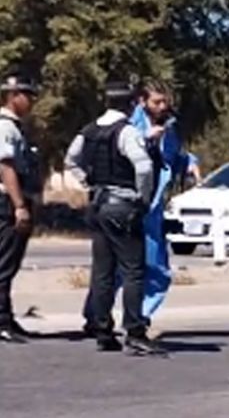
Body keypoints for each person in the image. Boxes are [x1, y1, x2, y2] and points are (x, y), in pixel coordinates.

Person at [80, 80, 196, 335]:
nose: (162, 106)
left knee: (149, 269)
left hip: (151, 208)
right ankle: (112, 319)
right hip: (130, 204)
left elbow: (175, 156)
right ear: (142, 102)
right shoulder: (128, 125)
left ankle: (129, 316)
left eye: (166, 101)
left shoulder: (169, 125)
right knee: (121, 269)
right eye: (156, 102)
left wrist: (189, 164)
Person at [65, 80, 164, 355]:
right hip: (122, 205)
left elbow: (71, 160)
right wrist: (143, 198)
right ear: (131, 105)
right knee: (133, 270)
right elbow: (143, 167)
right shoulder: (127, 132)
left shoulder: (90, 130)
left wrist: (89, 183)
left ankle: (102, 329)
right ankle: (135, 330)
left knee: (102, 271)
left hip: (98, 205)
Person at [0, 70, 41, 344]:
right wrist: (19, 206)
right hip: (6, 200)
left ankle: (7, 317)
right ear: (13, 96)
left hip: (13, 199)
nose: (31, 101)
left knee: (10, 263)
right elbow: (5, 166)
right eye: (27, 95)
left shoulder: (15, 126)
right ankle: (1, 321)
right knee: (3, 262)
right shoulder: (5, 127)